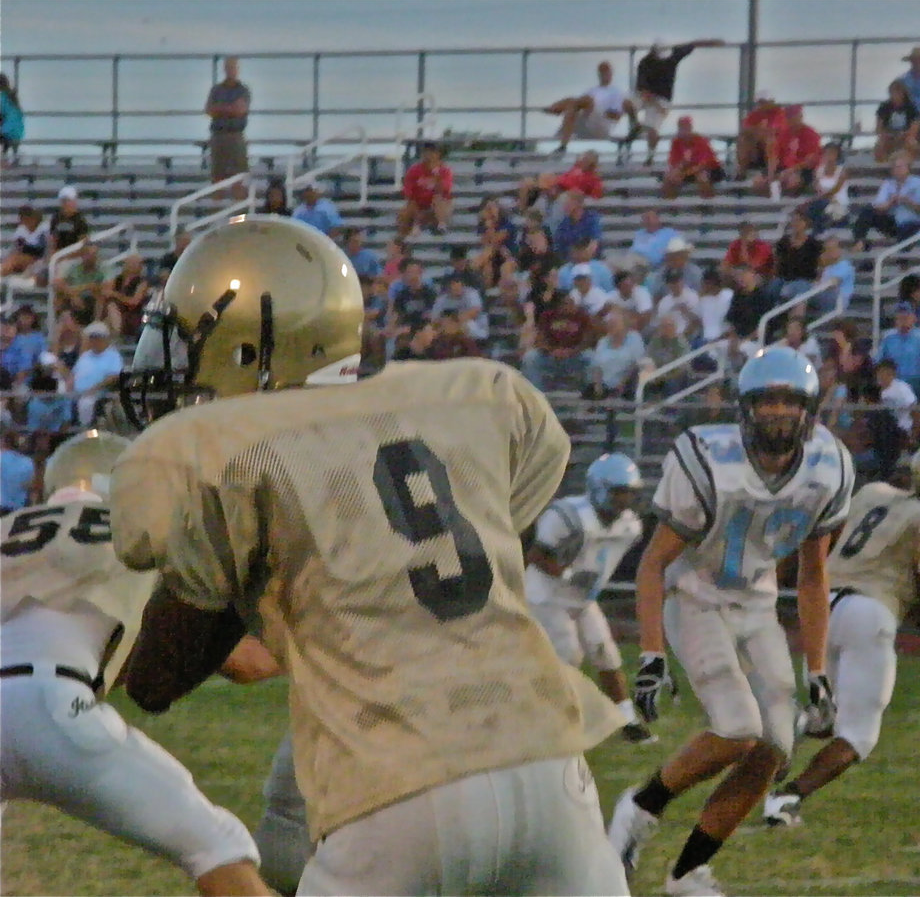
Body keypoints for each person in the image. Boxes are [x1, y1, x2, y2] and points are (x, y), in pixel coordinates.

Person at [108, 216, 630, 895]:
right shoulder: (458, 403)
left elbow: (156, 680)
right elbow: (514, 502)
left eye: (189, 342)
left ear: (258, 347)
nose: (172, 367)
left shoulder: (247, 456)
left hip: (401, 795)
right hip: (549, 769)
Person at [608, 346, 853, 897]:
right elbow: (654, 562)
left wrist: (818, 671)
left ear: (809, 410)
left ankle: (686, 873)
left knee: (773, 749)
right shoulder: (707, 458)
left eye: (790, 402)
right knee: (738, 728)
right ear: (745, 408)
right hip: (695, 599)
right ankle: (640, 808)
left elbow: (813, 577)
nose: (778, 413)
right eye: (767, 401)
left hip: (756, 606)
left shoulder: (829, 467)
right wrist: (651, 655)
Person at [1, 431, 270, 896]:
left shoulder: (10, 531)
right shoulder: (142, 533)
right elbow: (248, 664)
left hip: (30, 690)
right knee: (216, 845)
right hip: (51, 707)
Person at [761, 440, 920, 827]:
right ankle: (786, 799)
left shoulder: (876, 494)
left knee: (825, 718)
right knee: (858, 735)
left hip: (824, 605)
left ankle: (795, 727)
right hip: (868, 613)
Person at [525, 453, 655, 742]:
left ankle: (626, 719)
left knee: (605, 652)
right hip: (548, 595)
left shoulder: (630, 526)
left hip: (582, 599)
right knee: (568, 653)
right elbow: (535, 554)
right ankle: (552, 719)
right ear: (599, 488)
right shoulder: (568, 516)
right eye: (619, 492)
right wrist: (569, 575)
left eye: (629, 493)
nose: (625, 500)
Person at [632, 38, 724, 165]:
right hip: (646, 95)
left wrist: (712, 42)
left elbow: (693, 44)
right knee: (629, 103)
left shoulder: (674, 54)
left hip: (662, 98)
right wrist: (654, 102)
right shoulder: (644, 63)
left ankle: (650, 155)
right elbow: (642, 90)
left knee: (653, 127)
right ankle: (634, 124)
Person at [546, 61, 639, 154]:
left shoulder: (616, 92)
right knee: (572, 103)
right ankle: (562, 146)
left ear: (611, 74)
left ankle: (555, 109)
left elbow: (616, 115)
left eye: (607, 72)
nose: (604, 75)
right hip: (587, 121)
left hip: (602, 122)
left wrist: (598, 111)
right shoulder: (592, 90)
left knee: (583, 100)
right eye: (602, 72)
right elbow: (577, 104)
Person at [205, 56, 251, 199]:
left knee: (238, 176)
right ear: (224, 69)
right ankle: (217, 209)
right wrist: (230, 108)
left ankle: (239, 212)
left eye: (233, 67)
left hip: (236, 136)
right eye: (228, 67)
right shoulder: (216, 90)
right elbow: (209, 110)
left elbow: (240, 110)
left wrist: (221, 109)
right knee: (217, 175)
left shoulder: (243, 90)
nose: (231, 70)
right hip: (218, 136)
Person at [399, 142, 453, 238]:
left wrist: (436, 176)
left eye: (432, 152)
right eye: (426, 152)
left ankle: (441, 227)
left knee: (439, 200)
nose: (429, 156)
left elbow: (445, 190)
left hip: (437, 206)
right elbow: (408, 192)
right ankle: (403, 239)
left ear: (438, 154)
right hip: (419, 205)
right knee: (406, 210)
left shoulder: (444, 170)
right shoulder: (414, 170)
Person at [662, 116, 724, 200]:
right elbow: (674, 162)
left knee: (702, 177)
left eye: (686, 127)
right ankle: (670, 206)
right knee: (669, 177)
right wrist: (678, 171)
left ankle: (707, 206)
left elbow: (703, 165)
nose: (684, 131)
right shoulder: (676, 142)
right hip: (688, 169)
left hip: (710, 169)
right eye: (681, 127)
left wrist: (684, 174)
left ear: (690, 128)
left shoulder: (700, 141)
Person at [874, 79, 920, 162]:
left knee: (913, 144)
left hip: (905, 137)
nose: (895, 95)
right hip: (888, 137)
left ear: (903, 93)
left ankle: (909, 165)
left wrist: (904, 135)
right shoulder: (884, 107)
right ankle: (883, 168)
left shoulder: (911, 108)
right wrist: (886, 135)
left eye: (897, 92)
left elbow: (914, 128)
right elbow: (878, 128)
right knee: (879, 146)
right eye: (893, 93)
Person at [2, 205, 49, 277]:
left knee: (15, 259)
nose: (27, 221)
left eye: (29, 218)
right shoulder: (21, 230)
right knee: (12, 259)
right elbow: (17, 248)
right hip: (23, 258)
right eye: (24, 219)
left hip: (38, 257)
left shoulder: (44, 229)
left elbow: (45, 248)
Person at [0, 72, 24, 163]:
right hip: (18, 133)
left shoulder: (2, 97)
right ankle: (12, 155)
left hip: (7, 133)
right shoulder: (12, 97)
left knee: (4, 128)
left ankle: (4, 155)